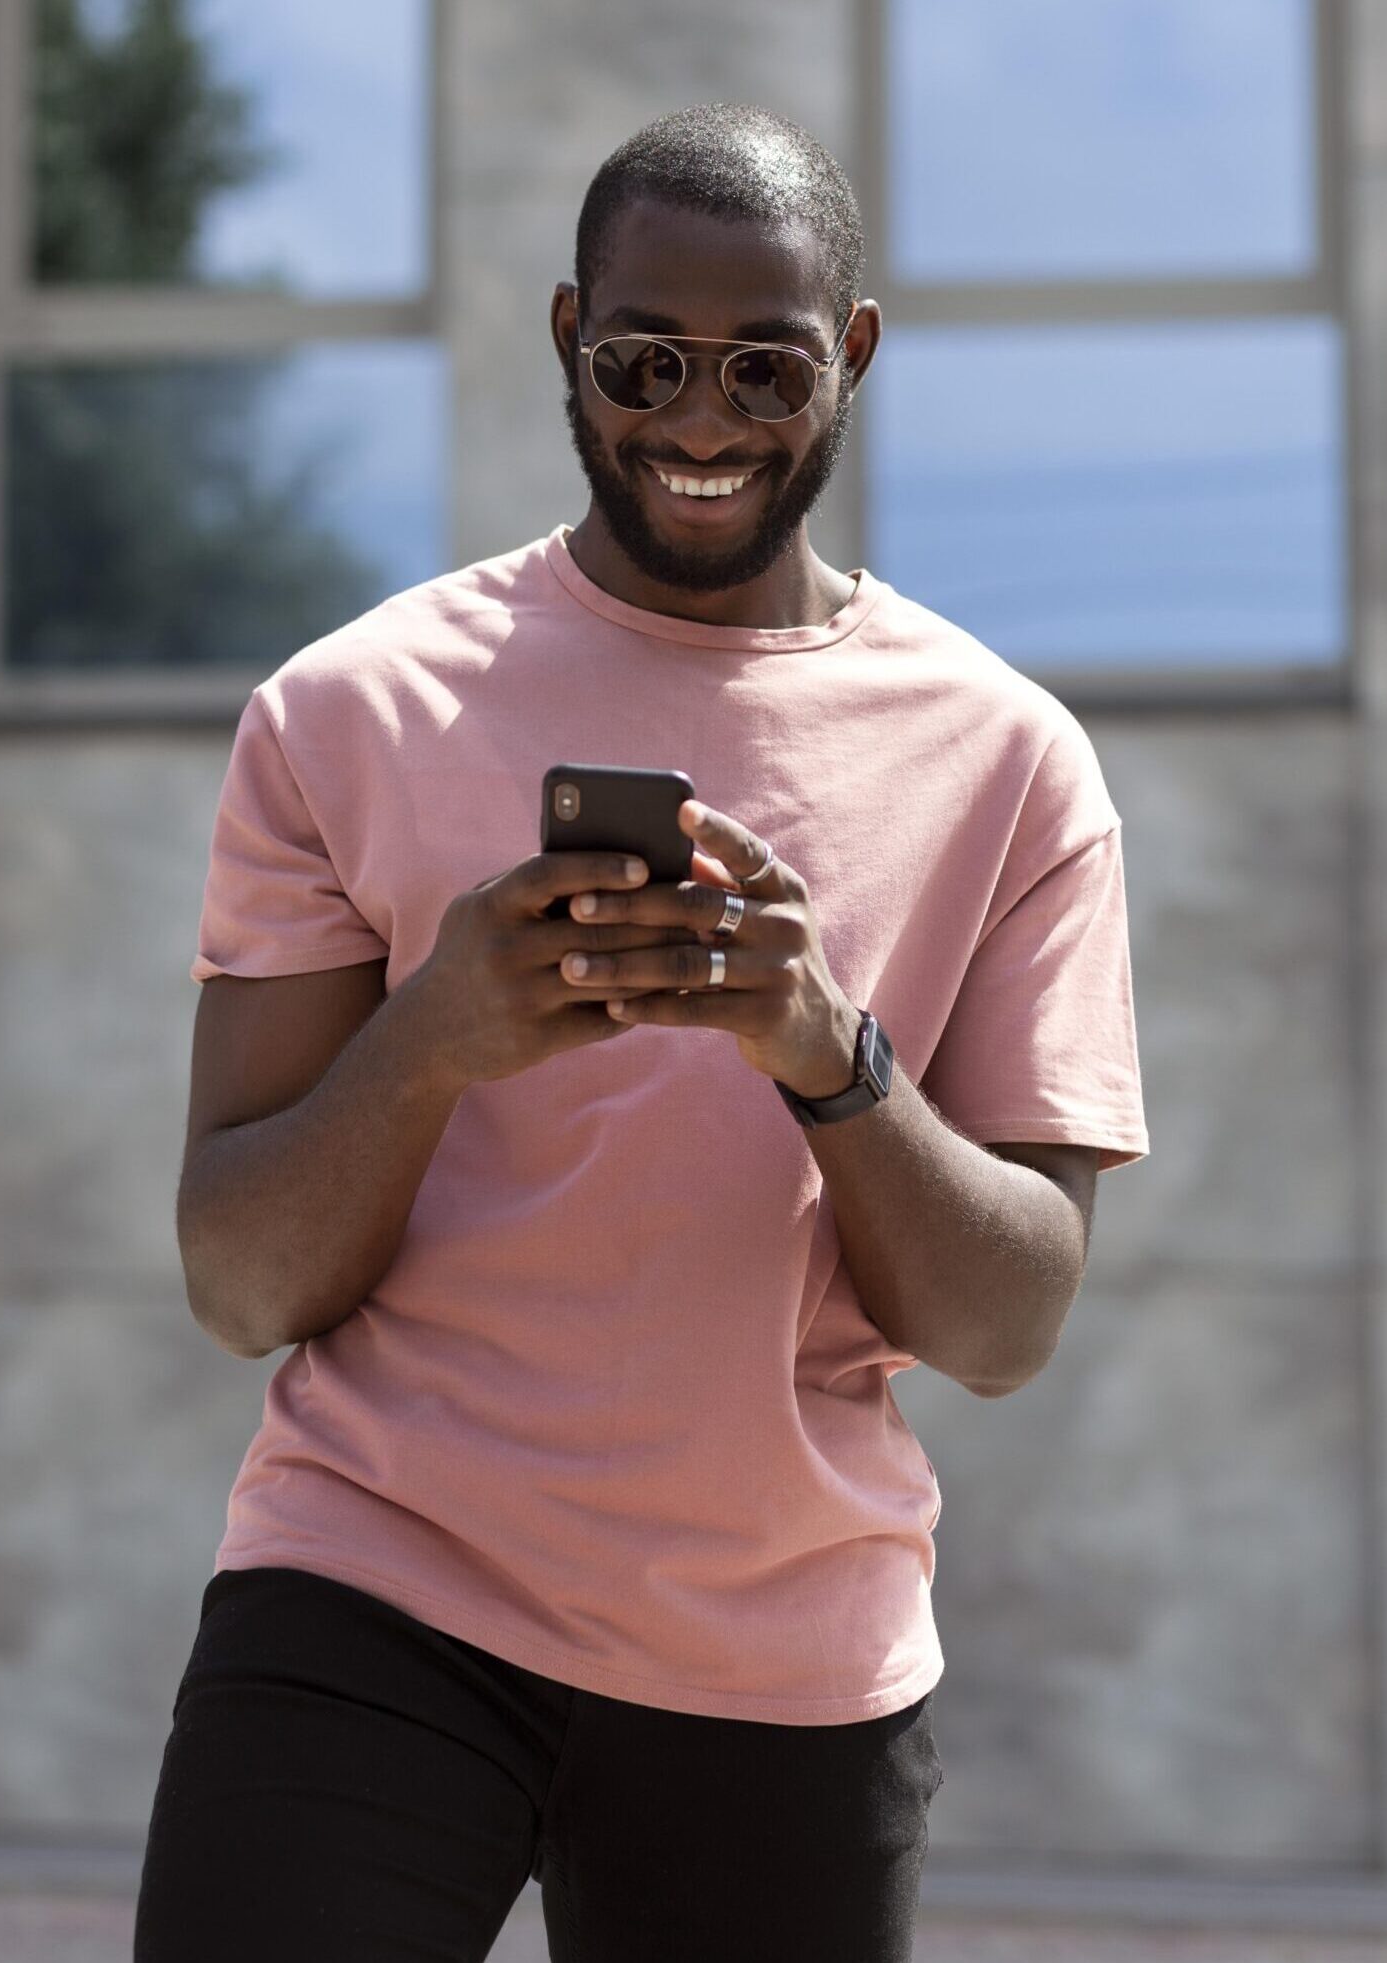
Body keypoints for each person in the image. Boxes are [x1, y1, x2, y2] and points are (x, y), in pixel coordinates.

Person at [134, 101, 1149, 1963]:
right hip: (373, 1590)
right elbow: (242, 1281)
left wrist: (825, 1052)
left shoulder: (1010, 763)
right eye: (642, 360)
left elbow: (1005, 1327)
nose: (698, 420)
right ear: (565, 338)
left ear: (850, 355)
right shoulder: (347, 712)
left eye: (764, 367)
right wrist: (437, 1036)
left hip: (786, 1655)